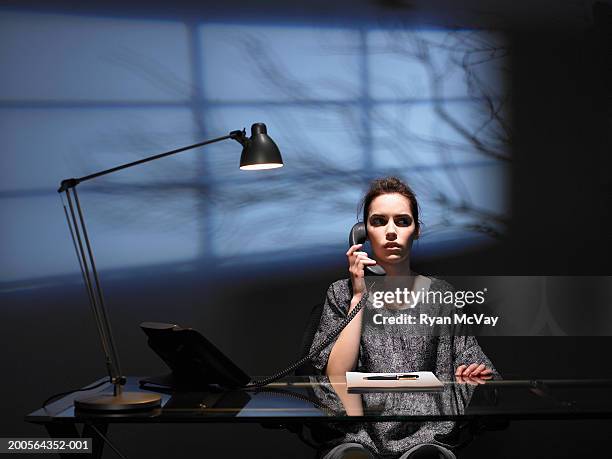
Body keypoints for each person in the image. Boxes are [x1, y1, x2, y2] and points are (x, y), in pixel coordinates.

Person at [307, 176, 497, 459]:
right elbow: (335, 376)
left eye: (402, 221)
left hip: (428, 436)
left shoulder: (442, 296)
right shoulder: (340, 293)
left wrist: (474, 373)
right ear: (363, 232)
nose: (391, 231)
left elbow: (477, 366)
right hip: (357, 434)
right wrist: (358, 296)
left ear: (416, 230)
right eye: (379, 221)